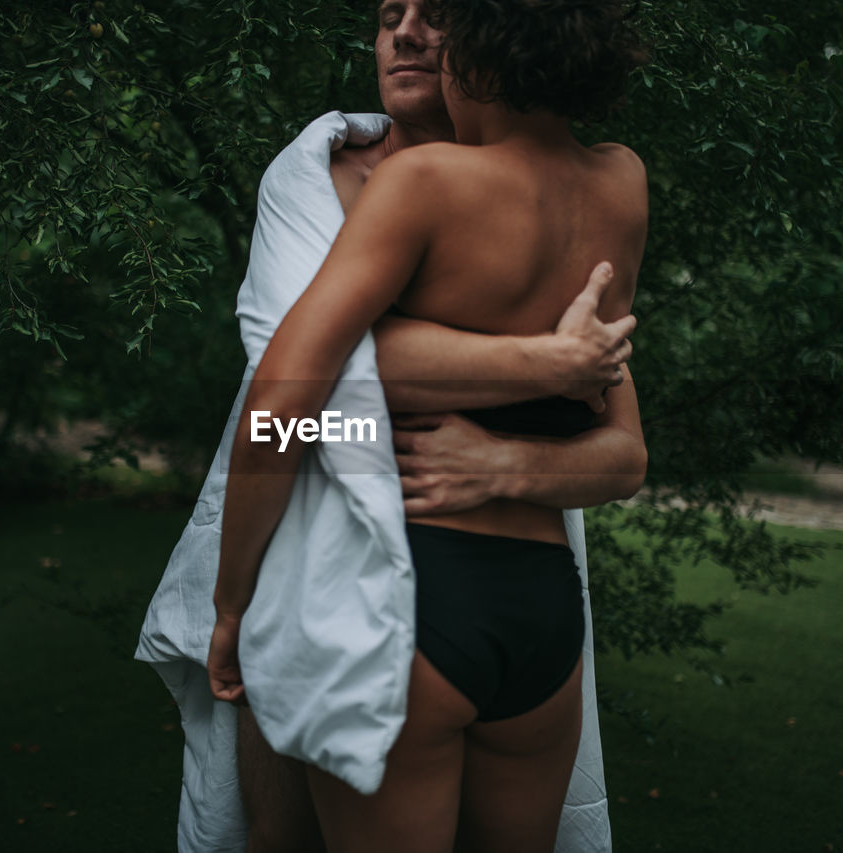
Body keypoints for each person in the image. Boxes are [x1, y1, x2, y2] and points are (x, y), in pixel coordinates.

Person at [136, 0, 642, 849]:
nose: (410, 39)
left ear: (477, 51)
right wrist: (544, 374)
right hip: (543, 611)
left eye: (442, 23)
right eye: (389, 17)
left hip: (410, 595)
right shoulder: (622, 183)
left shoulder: (423, 185)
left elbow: (283, 398)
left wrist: (228, 603)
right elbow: (618, 438)